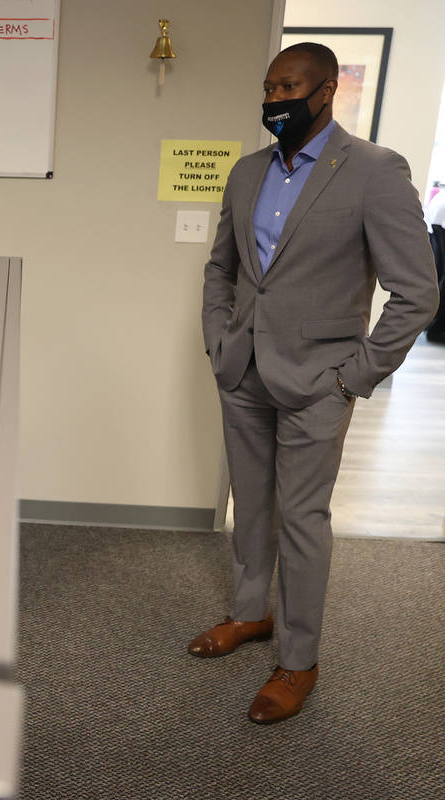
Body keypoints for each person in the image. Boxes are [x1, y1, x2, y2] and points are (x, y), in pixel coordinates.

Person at [194, 42, 438, 723]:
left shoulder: (374, 172)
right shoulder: (246, 173)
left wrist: (354, 376)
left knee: (303, 521)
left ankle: (299, 659)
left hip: (319, 382)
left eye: (290, 85)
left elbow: (416, 293)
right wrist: (218, 340)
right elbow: (222, 268)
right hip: (242, 369)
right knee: (251, 504)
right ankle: (250, 614)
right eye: (269, 85)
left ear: (327, 90)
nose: (276, 98)